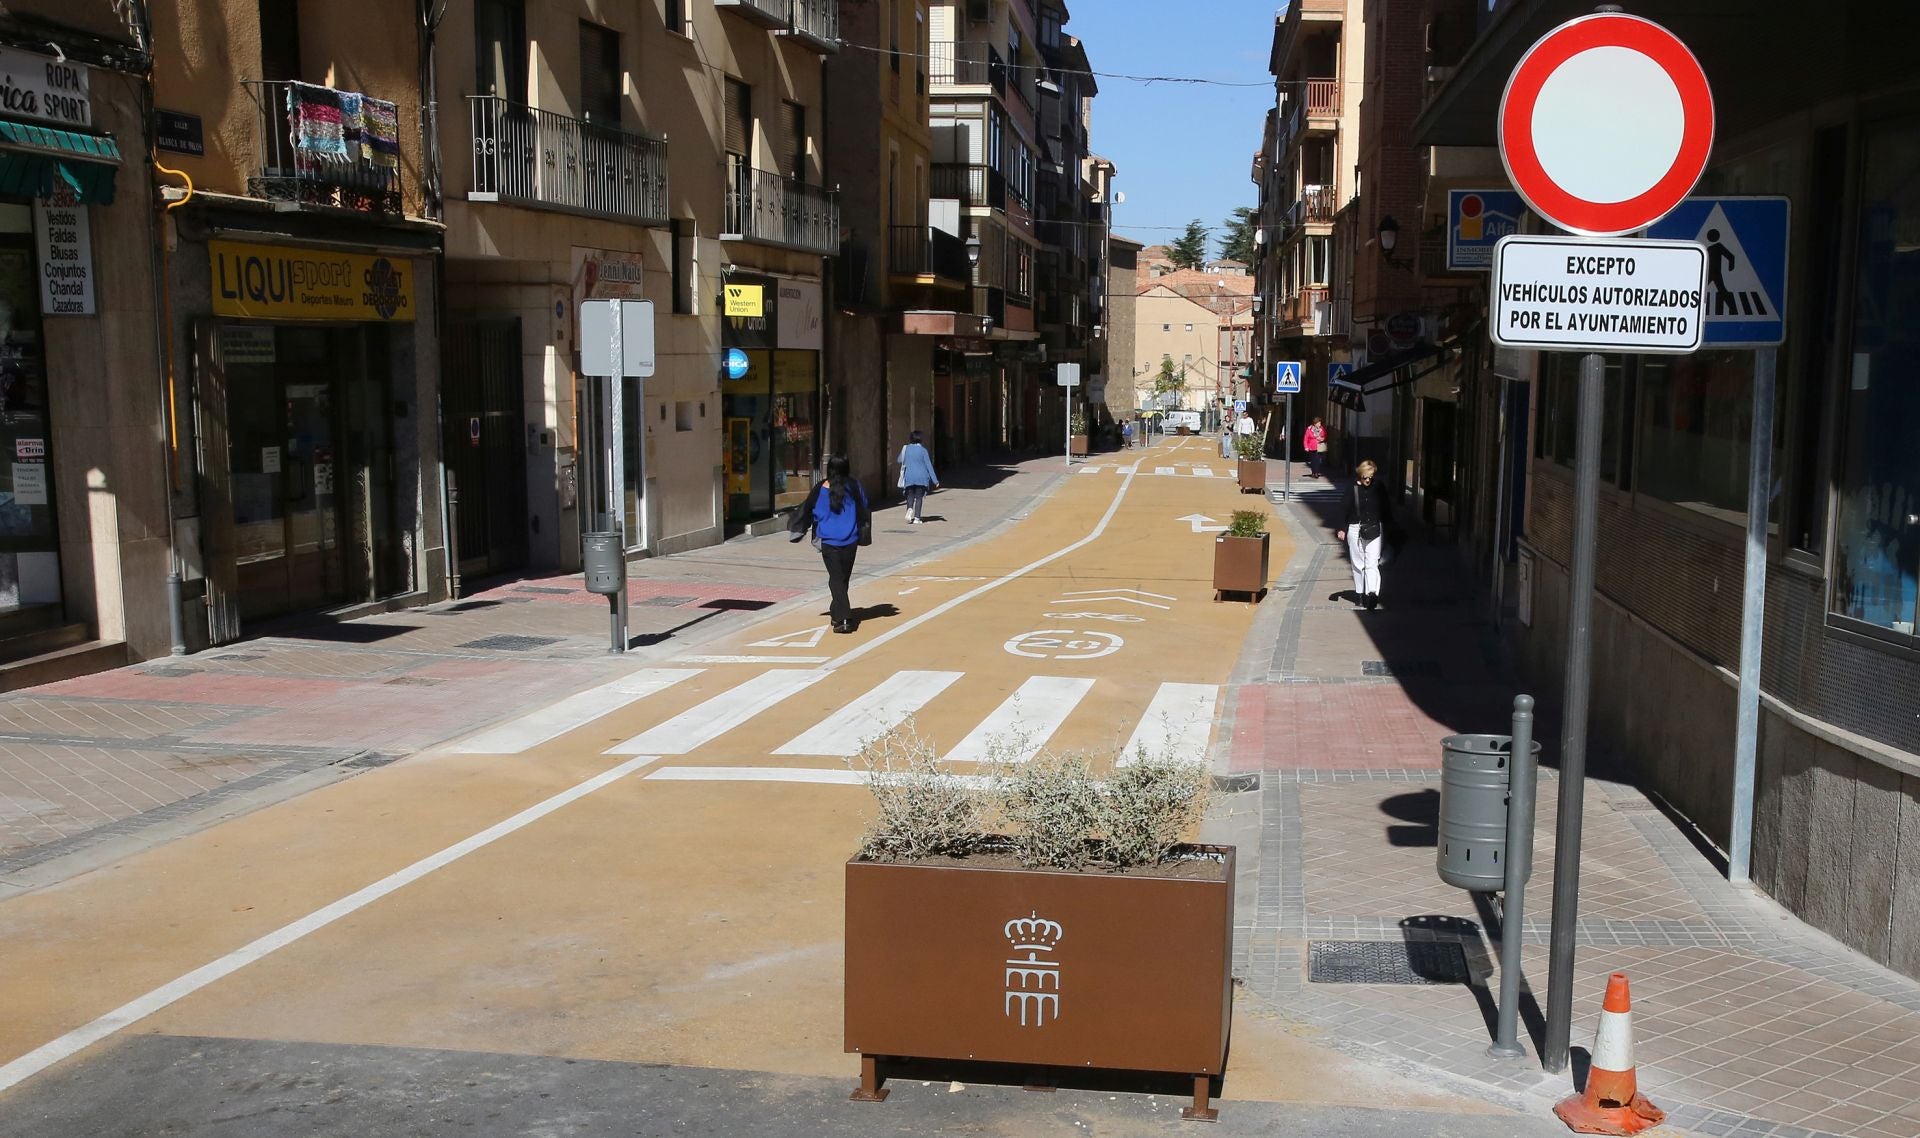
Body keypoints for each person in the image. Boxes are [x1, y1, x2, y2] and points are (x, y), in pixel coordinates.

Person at [789, 454, 871, 633]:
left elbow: (810, 510)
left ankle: (845, 618)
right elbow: (864, 506)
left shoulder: (820, 489)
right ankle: (837, 613)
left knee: (836, 579)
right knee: (842, 579)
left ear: (830, 469)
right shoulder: (855, 487)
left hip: (829, 541)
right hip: (850, 540)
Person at [1336, 459, 1391, 611]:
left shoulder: (1379, 487)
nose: (1367, 480)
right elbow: (1343, 509)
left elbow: (1386, 509)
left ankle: (1371, 594)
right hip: (1355, 529)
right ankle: (1360, 594)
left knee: (1372, 562)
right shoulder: (1352, 488)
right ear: (1359, 475)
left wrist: (1390, 526)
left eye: (1370, 477)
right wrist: (1341, 528)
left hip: (1374, 528)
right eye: (1364, 477)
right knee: (1358, 563)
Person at [897, 430, 938, 525]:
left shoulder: (906, 449)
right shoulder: (923, 451)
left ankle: (909, 510)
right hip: (921, 478)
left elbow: (899, 460)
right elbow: (929, 466)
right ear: (920, 439)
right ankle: (917, 518)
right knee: (919, 497)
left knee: (909, 496)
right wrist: (935, 480)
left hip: (909, 477)